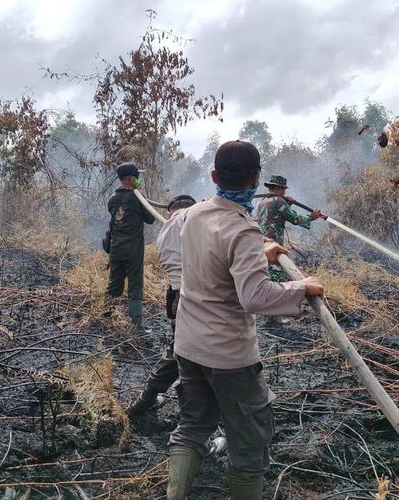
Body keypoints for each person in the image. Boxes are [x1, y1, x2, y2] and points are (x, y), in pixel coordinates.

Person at [166, 141, 325, 500]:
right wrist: (301, 287)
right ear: (256, 179)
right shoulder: (242, 230)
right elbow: (254, 296)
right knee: (250, 441)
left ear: (213, 176)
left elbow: (214, 253)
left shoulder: (194, 215)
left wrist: (259, 251)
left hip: (188, 346)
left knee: (192, 426)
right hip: (228, 357)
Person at [128, 194, 196, 415]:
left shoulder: (165, 232)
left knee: (180, 352)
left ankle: (145, 401)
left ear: (169, 212)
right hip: (194, 298)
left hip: (178, 296)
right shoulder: (189, 219)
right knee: (185, 357)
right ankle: (192, 427)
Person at [106, 162, 156, 330]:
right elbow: (150, 218)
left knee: (114, 283)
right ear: (130, 178)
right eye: (136, 177)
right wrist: (140, 195)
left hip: (115, 249)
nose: (138, 180)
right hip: (133, 251)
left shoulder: (112, 198)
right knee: (135, 285)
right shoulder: (136, 198)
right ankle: (137, 326)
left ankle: (107, 317)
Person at [256, 175, 324, 282]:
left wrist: (288, 204)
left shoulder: (261, 202)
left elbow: (276, 214)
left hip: (261, 244)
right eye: (283, 189)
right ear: (278, 188)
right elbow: (295, 219)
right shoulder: (278, 200)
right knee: (276, 274)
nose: (284, 193)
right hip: (273, 244)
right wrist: (312, 217)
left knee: (264, 270)